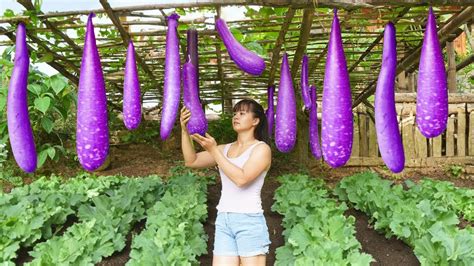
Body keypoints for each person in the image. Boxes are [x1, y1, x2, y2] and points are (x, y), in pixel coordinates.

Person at [180, 99, 272, 266]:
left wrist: (214, 151)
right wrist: (184, 131)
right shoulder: (225, 149)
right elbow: (191, 161)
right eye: (235, 113)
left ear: (256, 121)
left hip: (249, 220)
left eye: (242, 113)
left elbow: (241, 179)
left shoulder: (261, 149)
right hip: (224, 219)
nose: (236, 116)